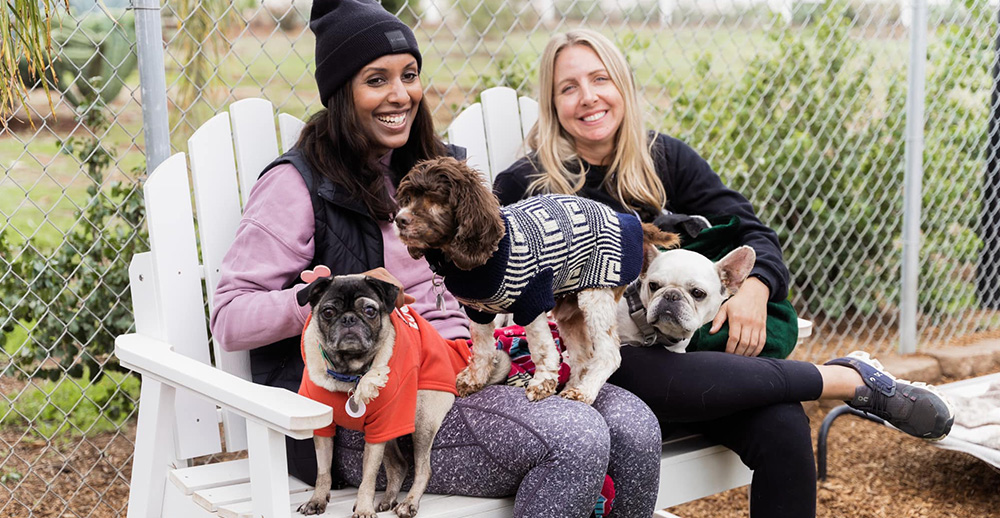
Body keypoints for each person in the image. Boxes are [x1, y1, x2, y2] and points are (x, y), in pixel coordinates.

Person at [210, 3, 660, 517]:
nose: (399, 94)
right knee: (574, 437)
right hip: (372, 409)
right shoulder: (296, 187)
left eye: (409, 75)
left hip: (478, 368)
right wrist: (330, 296)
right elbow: (228, 318)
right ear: (339, 93)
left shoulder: (437, 174)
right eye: (375, 80)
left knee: (635, 428)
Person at [492, 28, 955, 518]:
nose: (588, 97)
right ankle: (844, 380)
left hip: (695, 372)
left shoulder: (665, 159)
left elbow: (755, 234)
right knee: (626, 359)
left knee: (781, 423)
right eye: (569, 87)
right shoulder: (526, 183)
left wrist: (754, 286)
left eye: (600, 79)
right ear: (551, 101)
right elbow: (496, 285)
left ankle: (846, 381)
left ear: (622, 85)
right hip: (595, 371)